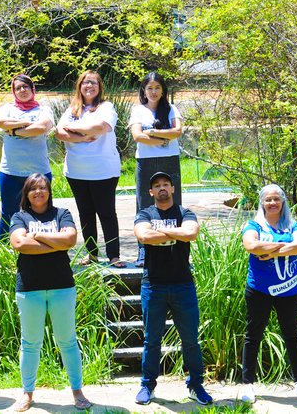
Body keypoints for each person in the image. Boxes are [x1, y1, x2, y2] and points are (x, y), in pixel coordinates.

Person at [8, 173, 92, 412]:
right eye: (33, 189)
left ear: (48, 190)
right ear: (27, 193)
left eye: (42, 188)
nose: (38, 192)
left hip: (61, 285)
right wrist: (55, 242)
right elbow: (19, 244)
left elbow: (70, 240)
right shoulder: (19, 216)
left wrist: (37, 235)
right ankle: (27, 394)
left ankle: (77, 392)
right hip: (29, 287)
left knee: (67, 341)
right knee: (30, 343)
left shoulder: (61, 213)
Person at [133, 171, 212, 405]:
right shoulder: (145, 213)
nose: (162, 188)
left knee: (190, 340)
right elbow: (143, 236)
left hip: (183, 285)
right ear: (151, 192)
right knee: (151, 341)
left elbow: (191, 233)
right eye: (156, 185)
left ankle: (196, 385)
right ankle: (148, 386)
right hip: (153, 285)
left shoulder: (185, 213)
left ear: (173, 188)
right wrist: (175, 234)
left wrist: (159, 232)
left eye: (166, 184)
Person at [239, 184, 297, 403]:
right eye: (268, 199)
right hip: (259, 289)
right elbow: (251, 245)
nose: (272, 203)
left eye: (276, 199)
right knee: (253, 335)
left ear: (283, 202)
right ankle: (247, 385)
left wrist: (270, 251)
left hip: (289, 290)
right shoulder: (254, 224)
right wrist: (284, 246)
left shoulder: (293, 224)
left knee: (292, 335)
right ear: (262, 202)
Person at [55, 70, 123, 267]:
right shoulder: (71, 109)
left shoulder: (106, 107)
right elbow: (60, 132)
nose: (89, 86)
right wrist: (83, 136)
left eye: (93, 82)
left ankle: (114, 256)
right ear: (80, 87)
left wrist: (74, 129)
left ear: (99, 86)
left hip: (103, 171)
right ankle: (92, 254)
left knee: (106, 213)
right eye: (85, 83)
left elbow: (102, 126)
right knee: (85, 213)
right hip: (77, 171)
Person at [128, 72, 184, 267]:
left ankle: (176, 249)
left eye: (157, 88)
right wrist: (163, 139)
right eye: (149, 88)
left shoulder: (171, 109)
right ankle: (144, 251)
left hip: (170, 160)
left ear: (163, 90)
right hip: (145, 162)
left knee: (173, 202)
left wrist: (151, 132)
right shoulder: (138, 111)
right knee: (144, 205)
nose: (153, 92)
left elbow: (177, 131)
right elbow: (137, 136)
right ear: (143, 90)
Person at [0, 74, 55, 242]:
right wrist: (29, 125)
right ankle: (6, 248)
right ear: (14, 91)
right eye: (18, 88)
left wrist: (14, 130)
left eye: (26, 86)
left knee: (40, 210)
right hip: (10, 171)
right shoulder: (7, 108)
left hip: (38, 172)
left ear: (32, 89)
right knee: (9, 212)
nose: (22, 90)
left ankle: (42, 247)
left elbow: (42, 127)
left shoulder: (43, 109)